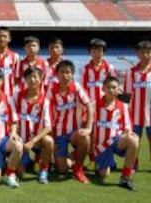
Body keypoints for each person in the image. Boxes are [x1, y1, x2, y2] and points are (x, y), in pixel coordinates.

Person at [46, 60, 93, 183]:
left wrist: (88, 127)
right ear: (57, 74)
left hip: (74, 132)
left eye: (68, 72)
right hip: (59, 133)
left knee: (85, 138)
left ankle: (78, 169)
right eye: (62, 72)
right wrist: (51, 136)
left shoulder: (76, 87)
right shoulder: (51, 88)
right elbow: (47, 112)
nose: (65, 75)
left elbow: (89, 105)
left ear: (72, 74)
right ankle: (73, 156)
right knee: (62, 170)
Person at [94, 76, 139, 191]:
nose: (111, 90)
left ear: (118, 89)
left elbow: (128, 126)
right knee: (104, 174)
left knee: (134, 139)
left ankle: (125, 177)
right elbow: (88, 125)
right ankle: (101, 163)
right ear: (103, 89)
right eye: (108, 87)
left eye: (114, 87)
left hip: (116, 140)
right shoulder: (95, 105)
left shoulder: (123, 106)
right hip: (101, 146)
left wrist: (128, 133)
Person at [81, 38, 116, 171]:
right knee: (91, 136)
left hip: (105, 109)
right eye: (94, 50)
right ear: (90, 52)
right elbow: (83, 89)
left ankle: (107, 160)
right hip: (89, 109)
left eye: (100, 51)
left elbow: (114, 87)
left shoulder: (109, 68)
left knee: (106, 135)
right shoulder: (84, 69)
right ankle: (91, 160)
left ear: (103, 52)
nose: (97, 53)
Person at [14, 67, 54, 184]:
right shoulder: (17, 96)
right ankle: (30, 161)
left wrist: (32, 141)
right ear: (25, 80)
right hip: (20, 140)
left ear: (41, 79)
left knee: (49, 141)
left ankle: (44, 170)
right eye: (29, 77)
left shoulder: (45, 101)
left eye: (35, 77)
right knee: (20, 173)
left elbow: (48, 127)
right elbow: (11, 119)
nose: (32, 80)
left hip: (36, 141)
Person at [124, 40, 151, 168]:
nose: (146, 55)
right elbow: (127, 95)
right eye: (143, 52)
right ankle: (133, 163)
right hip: (135, 113)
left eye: (148, 52)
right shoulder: (131, 72)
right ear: (137, 54)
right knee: (135, 140)